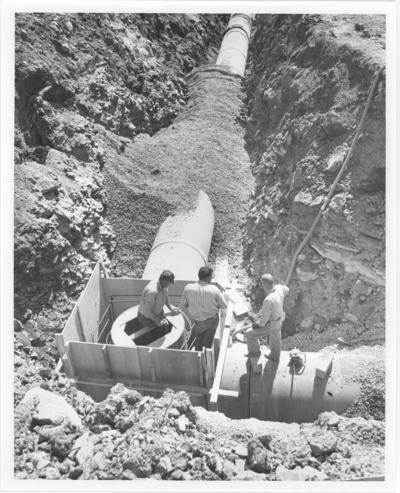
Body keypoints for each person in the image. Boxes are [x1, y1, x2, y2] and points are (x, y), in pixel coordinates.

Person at [233, 273, 289, 362]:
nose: (262, 286)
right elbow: (286, 289)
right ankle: (275, 357)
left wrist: (257, 325)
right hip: (280, 319)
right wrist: (280, 300)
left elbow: (263, 322)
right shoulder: (278, 288)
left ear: (265, 284)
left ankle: (255, 353)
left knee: (250, 334)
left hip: (272, 323)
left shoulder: (268, 300)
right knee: (275, 339)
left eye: (262, 284)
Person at [181, 266, 228, 351]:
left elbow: (184, 304)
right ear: (209, 277)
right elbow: (224, 305)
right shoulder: (214, 289)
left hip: (197, 321)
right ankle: (205, 357)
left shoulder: (188, 287)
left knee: (197, 339)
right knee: (207, 343)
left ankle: (195, 353)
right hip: (211, 321)